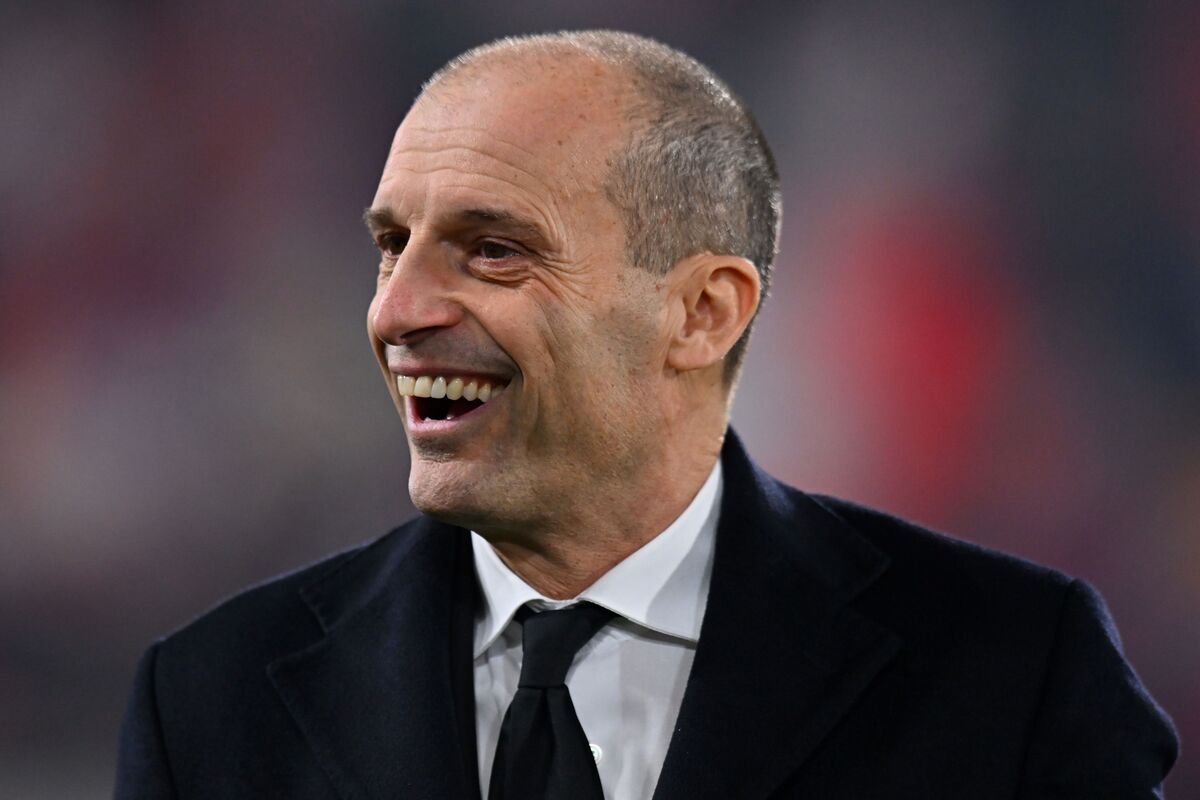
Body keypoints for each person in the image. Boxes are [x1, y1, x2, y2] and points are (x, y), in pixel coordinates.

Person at [115, 30, 1178, 799]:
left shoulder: (1014, 673)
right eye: (394, 246)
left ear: (702, 312)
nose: (398, 310)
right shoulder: (213, 699)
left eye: (496, 249)